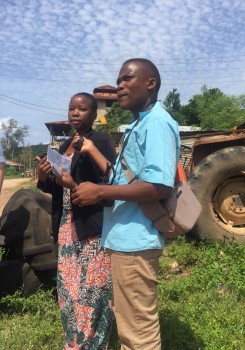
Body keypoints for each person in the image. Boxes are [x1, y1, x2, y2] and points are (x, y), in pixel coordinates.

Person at [69, 59, 181, 350]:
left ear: (150, 83)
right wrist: (97, 168)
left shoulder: (156, 123)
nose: (119, 85)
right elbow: (124, 177)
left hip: (136, 242)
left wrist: (101, 192)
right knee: (129, 324)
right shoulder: (138, 123)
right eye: (118, 80)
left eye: (127, 79)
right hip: (124, 241)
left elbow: (159, 185)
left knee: (138, 334)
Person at [36, 92, 116, 350]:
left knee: (92, 290)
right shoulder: (65, 144)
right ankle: (74, 341)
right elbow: (54, 189)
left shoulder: (100, 141)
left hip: (91, 226)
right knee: (69, 290)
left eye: (82, 109)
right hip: (67, 225)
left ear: (94, 115)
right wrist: (44, 175)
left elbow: (111, 184)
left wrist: (74, 185)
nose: (75, 113)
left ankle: (92, 343)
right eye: (72, 108)